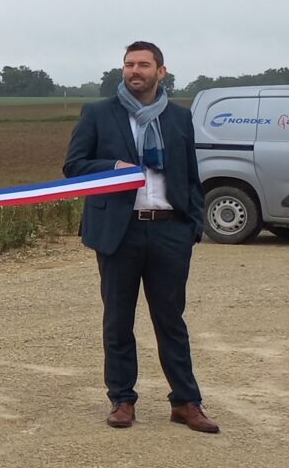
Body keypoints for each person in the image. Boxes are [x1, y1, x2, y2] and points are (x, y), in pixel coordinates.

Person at [64, 41, 218, 433]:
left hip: (170, 230)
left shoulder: (179, 119)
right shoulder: (99, 114)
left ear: (160, 72)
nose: (135, 71)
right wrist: (112, 167)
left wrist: (192, 227)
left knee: (171, 320)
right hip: (120, 231)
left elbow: (190, 177)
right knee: (118, 320)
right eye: (129, 64)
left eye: (144, 65)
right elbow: (74, 166)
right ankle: (123, 400)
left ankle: (185, 402)